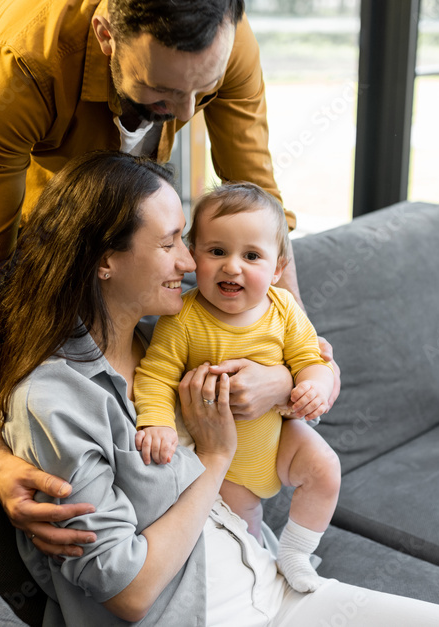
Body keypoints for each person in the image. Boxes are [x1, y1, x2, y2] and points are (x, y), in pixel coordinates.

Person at [0, 0, 340, 559]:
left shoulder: (228, 45)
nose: (184, 114)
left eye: (202, 90)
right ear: (106, 36)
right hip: (34, 171)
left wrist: (288, 351)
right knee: (55, 279)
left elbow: (261, 209)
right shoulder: (19, 73)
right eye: (164, 90)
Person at [0, 151, 439, 626]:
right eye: (170, 244)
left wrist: (285, 381)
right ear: (106, 261)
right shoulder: (53, 401)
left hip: (273, 584)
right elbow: (127, 592)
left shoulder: (162, 341)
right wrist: (215, 458)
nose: (190, 264)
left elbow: (304, 373)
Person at [133, 183, 340, 592]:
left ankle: (296, 552)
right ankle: (262, 570)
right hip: (223, 463)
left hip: (280, 439)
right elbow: (155, 375)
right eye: (217, 252)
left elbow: (309, 359)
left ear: (277, 268)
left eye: (251, 256)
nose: (232, 267)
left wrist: (314, 385)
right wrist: (156, 422)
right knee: (243, 529)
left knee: (326, 470)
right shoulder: (183, 319)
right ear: (193, 256)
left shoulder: (284, 311)